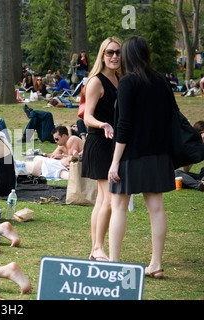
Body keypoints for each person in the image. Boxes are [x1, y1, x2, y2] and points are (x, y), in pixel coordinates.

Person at [108, 36, 176, 279]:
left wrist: (115, 161)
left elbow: (124, 125)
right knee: (156, 208)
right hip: (159, 154)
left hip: (132, 154)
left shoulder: (127, 82)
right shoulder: (162, 81)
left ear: (127, 56)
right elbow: (172, 116)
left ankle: (114, 263)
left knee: (118, 206)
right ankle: (156, 263)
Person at [81, 37, 121, 262]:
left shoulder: (119, 79)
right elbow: (87, 116)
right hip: (99, 143)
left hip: (112, 144)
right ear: (102, 56)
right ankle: (98, 248)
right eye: (110, 52)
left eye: (117, 52)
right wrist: (102, 124)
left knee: (102, 200)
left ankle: (96, 248)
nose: (114, 56)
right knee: (107, 200)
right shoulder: (96, 81)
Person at [174, 120, 204, 191]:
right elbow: (185, 170)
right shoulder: (196, 146)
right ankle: (199, 185)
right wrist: (191, 152)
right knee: (177, 173)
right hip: (201, 176)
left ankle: (196, 184)